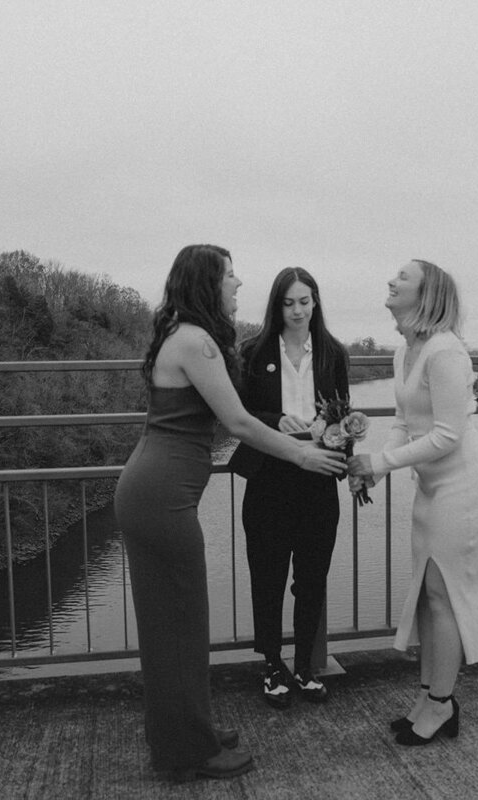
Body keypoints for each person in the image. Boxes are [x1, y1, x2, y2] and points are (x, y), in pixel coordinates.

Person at [113, 245, 347, 782]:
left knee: (175, 628)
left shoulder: (186, 334)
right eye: (230, 275)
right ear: (207, 283)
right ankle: (187, 753)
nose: (238, 283)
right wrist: (304, 455)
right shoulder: (196, 341)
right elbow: (239, 423)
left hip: (158, 493)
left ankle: (184, 733)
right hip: (161, 498)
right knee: (179, 630)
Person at [348, 259, 478, 746]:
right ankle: (429, 697)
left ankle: (441, 703)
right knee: (430, 597)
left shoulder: (445, 351)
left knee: (444, 596)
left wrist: (380, 462)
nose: (391, 281)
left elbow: (449, 435)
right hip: (435, 486)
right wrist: (374, 464)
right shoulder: (405, 351)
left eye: (403, 278)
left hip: (465, 487)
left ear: (427, 294)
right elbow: (404, 421)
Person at [229, 267, 351, 708]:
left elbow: (344, 414)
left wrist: (336, 436)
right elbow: (238, 414)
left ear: (315, 302)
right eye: (288, 303)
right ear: (276, 306)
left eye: (304, 301)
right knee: (268, 576)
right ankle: (271, 665)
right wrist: (276, 420)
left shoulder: (333, 353)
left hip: (317, 476)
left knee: (312, 578)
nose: (297, 311)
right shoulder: (254, 351)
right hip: (270, 476)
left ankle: (304, 667)